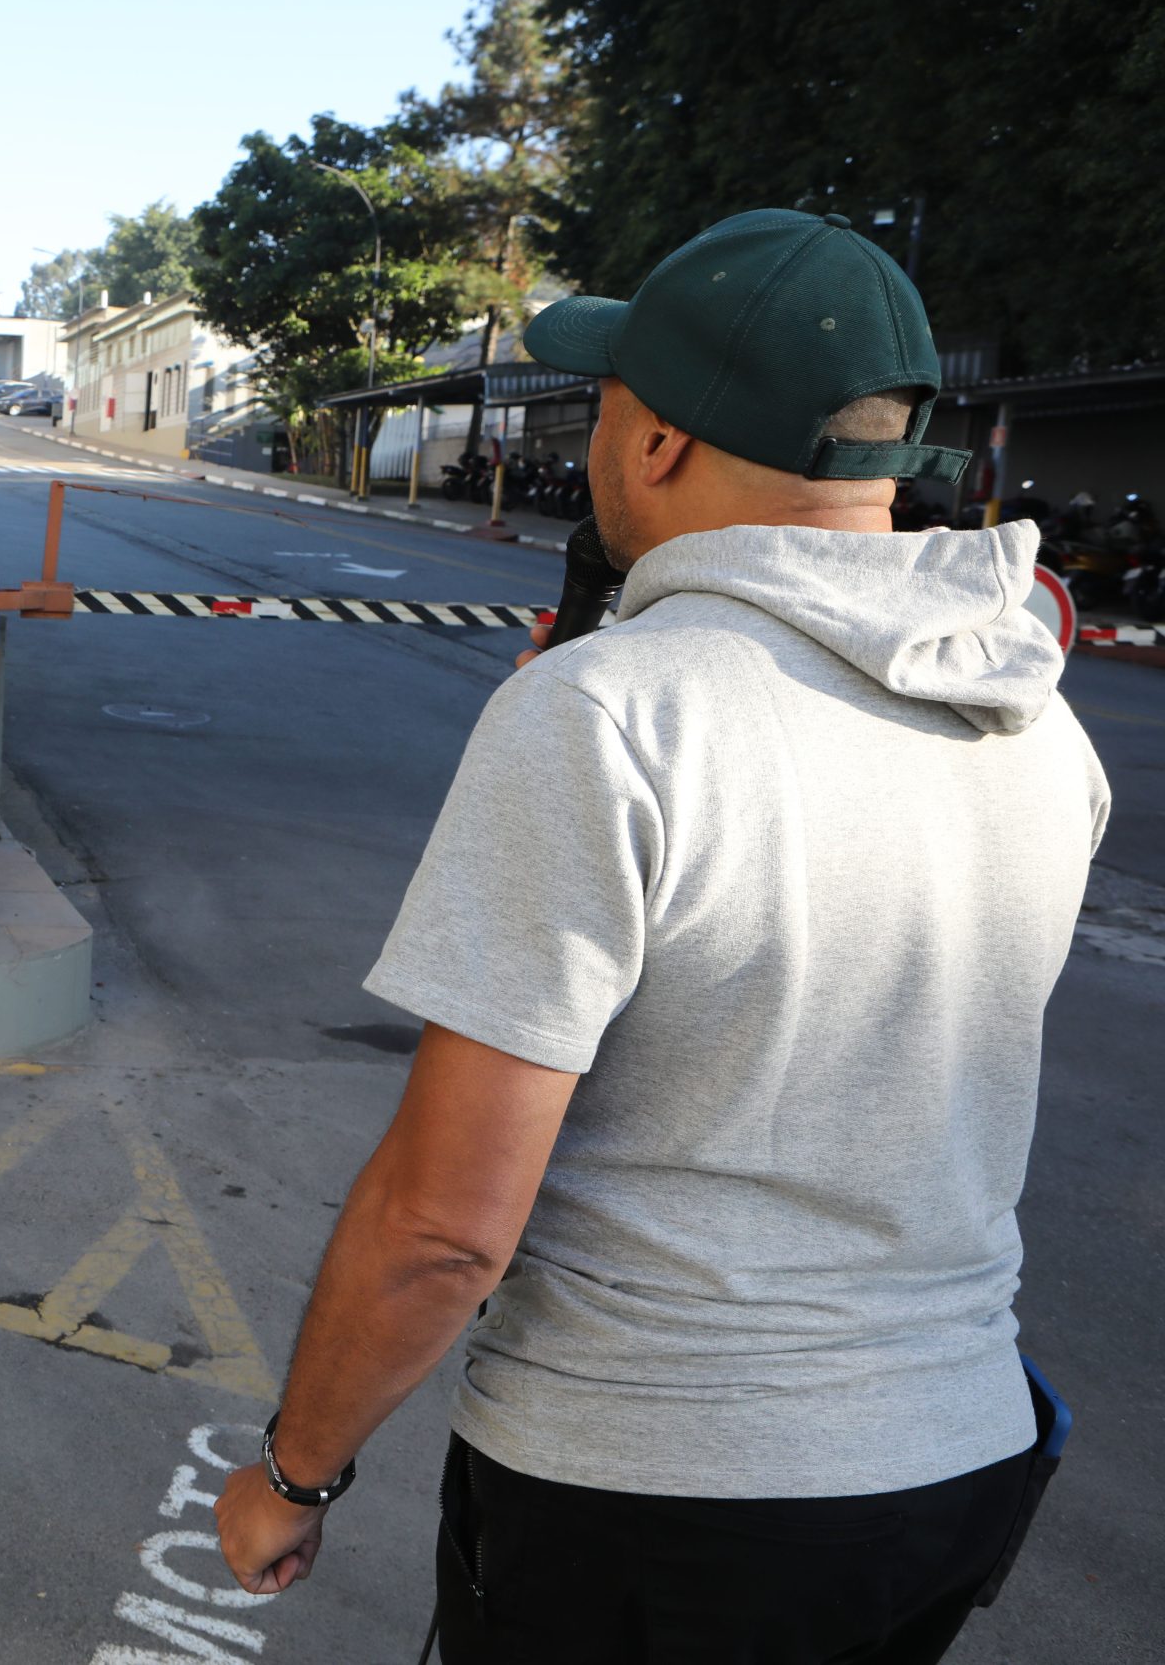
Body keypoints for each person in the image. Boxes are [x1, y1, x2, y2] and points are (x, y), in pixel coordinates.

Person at [211, 208, 1112, 1664]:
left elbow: (444, 1226)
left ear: (661, 442)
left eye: (608, 395)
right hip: (948, 1466)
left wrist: (293, 1468)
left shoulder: (609, 714)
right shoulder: (1039, 724)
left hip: (654, 1495)